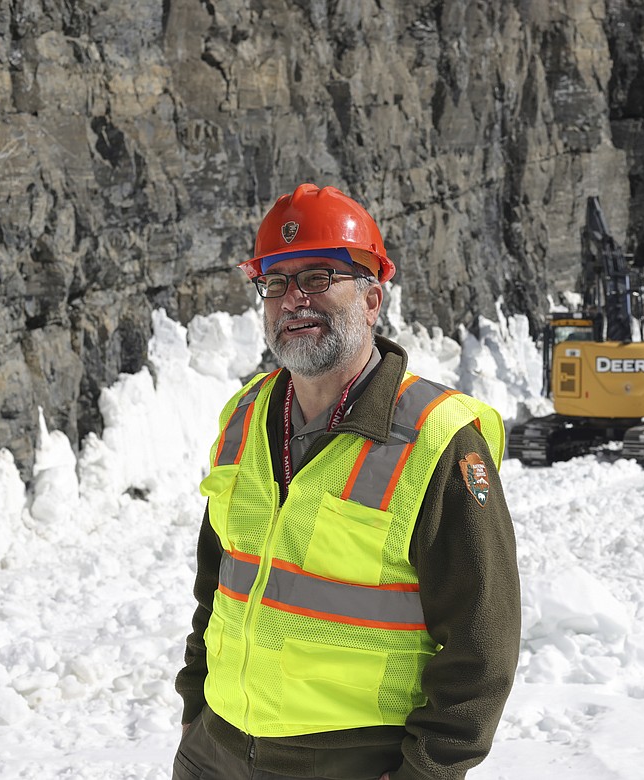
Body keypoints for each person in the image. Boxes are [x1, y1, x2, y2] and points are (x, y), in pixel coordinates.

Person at [173, 184, 520, 780]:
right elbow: (218, 581)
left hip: (350, 763)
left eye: (317, 276)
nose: (293, 300)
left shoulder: (437, 439)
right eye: (276, 283)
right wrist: (196, 711)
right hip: (217, 752)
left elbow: (481, 643)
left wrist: (427, 773)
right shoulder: (244, 417)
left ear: (371, 298)